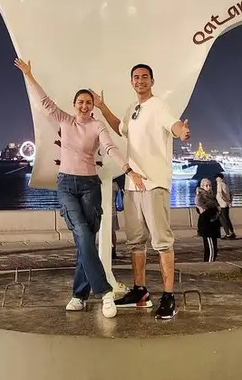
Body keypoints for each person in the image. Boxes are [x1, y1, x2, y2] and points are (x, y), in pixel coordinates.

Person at [15, 58, 144, 319]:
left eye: (88, 102)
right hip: (66, 185)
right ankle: (105, 292)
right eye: (80, 102)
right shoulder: (64, 120)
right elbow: (44, 101)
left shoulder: (98, 125)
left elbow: (110, 148)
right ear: (74, 106)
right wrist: (29, 75)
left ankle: (78, 295)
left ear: (92, 105)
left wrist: (129, 169)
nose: (84, 106)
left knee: (84, 243)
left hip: (89, 186)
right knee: (84, 236)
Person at [92, 63, 190, 320]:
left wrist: (182, 132)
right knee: (136, 242)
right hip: (132, 185)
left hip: (154, 183)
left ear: (152, 81)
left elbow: (175, 125)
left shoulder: (159, 106)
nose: (140, 80)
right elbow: (120, 127)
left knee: (162, 241)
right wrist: (102, 107)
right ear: (131, 82)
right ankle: (140, 291)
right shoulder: (133, 109)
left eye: (144, 77)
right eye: (136, 77)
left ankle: (169, 297)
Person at [195, 178, 221, 262]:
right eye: (206, 185)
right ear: (202, 186)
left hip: (213, 225)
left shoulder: (211, 196)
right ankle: (209, 266)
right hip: (208, 225)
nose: (209, 187)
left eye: (210, 185)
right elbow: (200, 207)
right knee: (211, 249)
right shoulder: (201, 196)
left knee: (213, 248)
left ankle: (209, 263)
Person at [215, 172, 236, 240]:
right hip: (226, 205)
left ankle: (228, 234)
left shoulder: (220, 184)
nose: (216, 180)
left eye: (217, 179)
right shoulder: (226, 185)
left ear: (220, 178)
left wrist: (226, 201)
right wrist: (229, 201)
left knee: (223, 220)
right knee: (227, 218)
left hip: (222, 205)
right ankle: (232, 233)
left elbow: (221, 194)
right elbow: (231, 193)